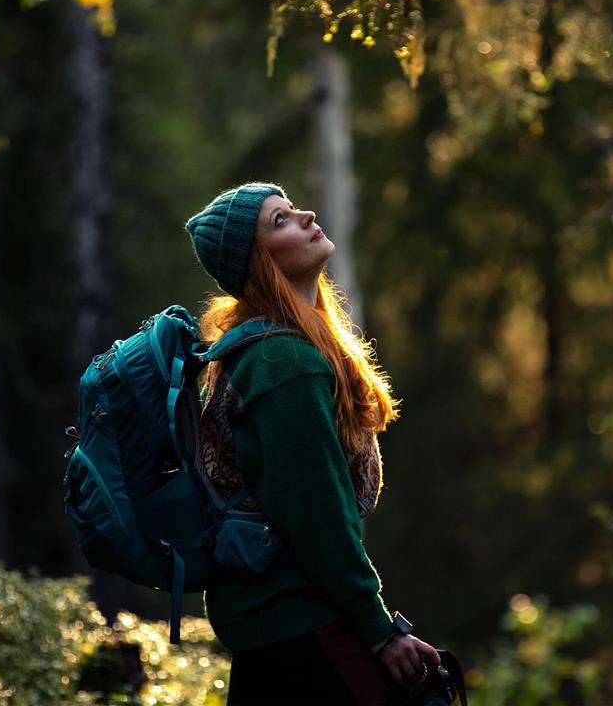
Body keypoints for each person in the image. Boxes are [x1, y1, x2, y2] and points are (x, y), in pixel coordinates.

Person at [184, 182, 441, 704]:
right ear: (258, 261)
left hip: (276, 626)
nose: (306, 215)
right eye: (280, 220)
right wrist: (380, 629)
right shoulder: (284, 364)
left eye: (292, 209)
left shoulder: (265, 349)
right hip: (301, 626)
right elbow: (318, 515)